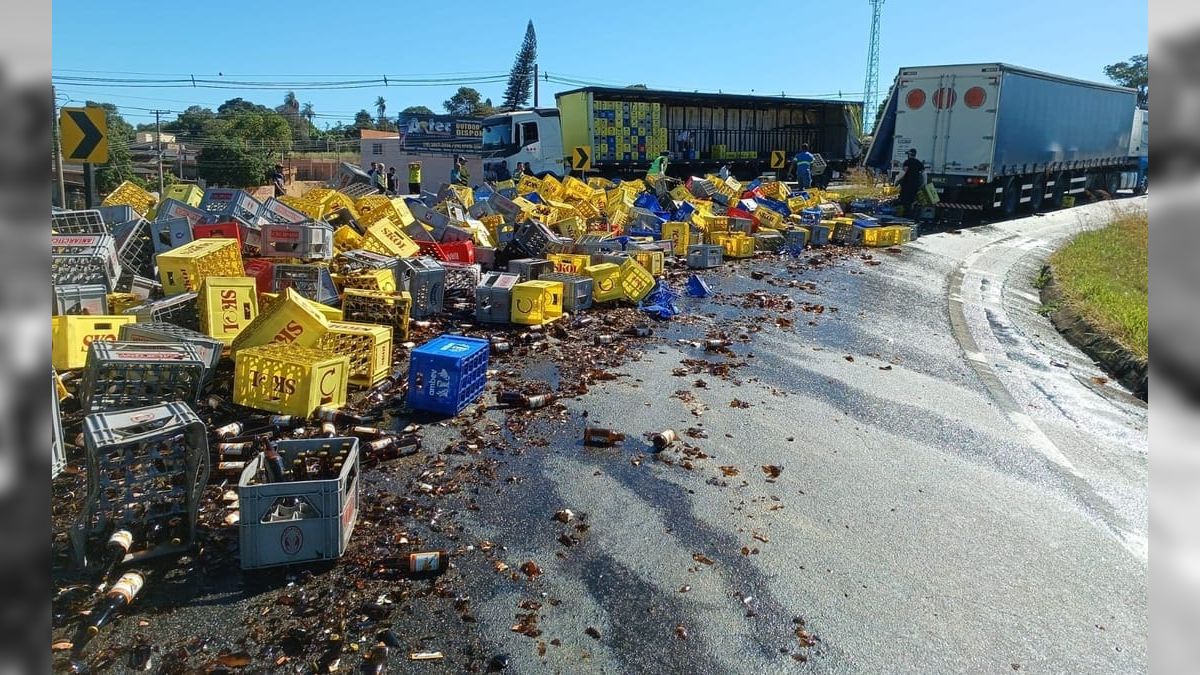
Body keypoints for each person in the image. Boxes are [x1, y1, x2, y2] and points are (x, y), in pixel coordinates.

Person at [894, 148, 926, 215]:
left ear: (909, 154)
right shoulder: (918, 162)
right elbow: (924, 173)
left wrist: (897, 180)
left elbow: (903, 172)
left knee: (904, 199)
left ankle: (905, 214)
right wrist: (924, 183)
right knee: (912, 199)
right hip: (915, 184)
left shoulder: (907, 162)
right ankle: (912, 213)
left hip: (907, 184)